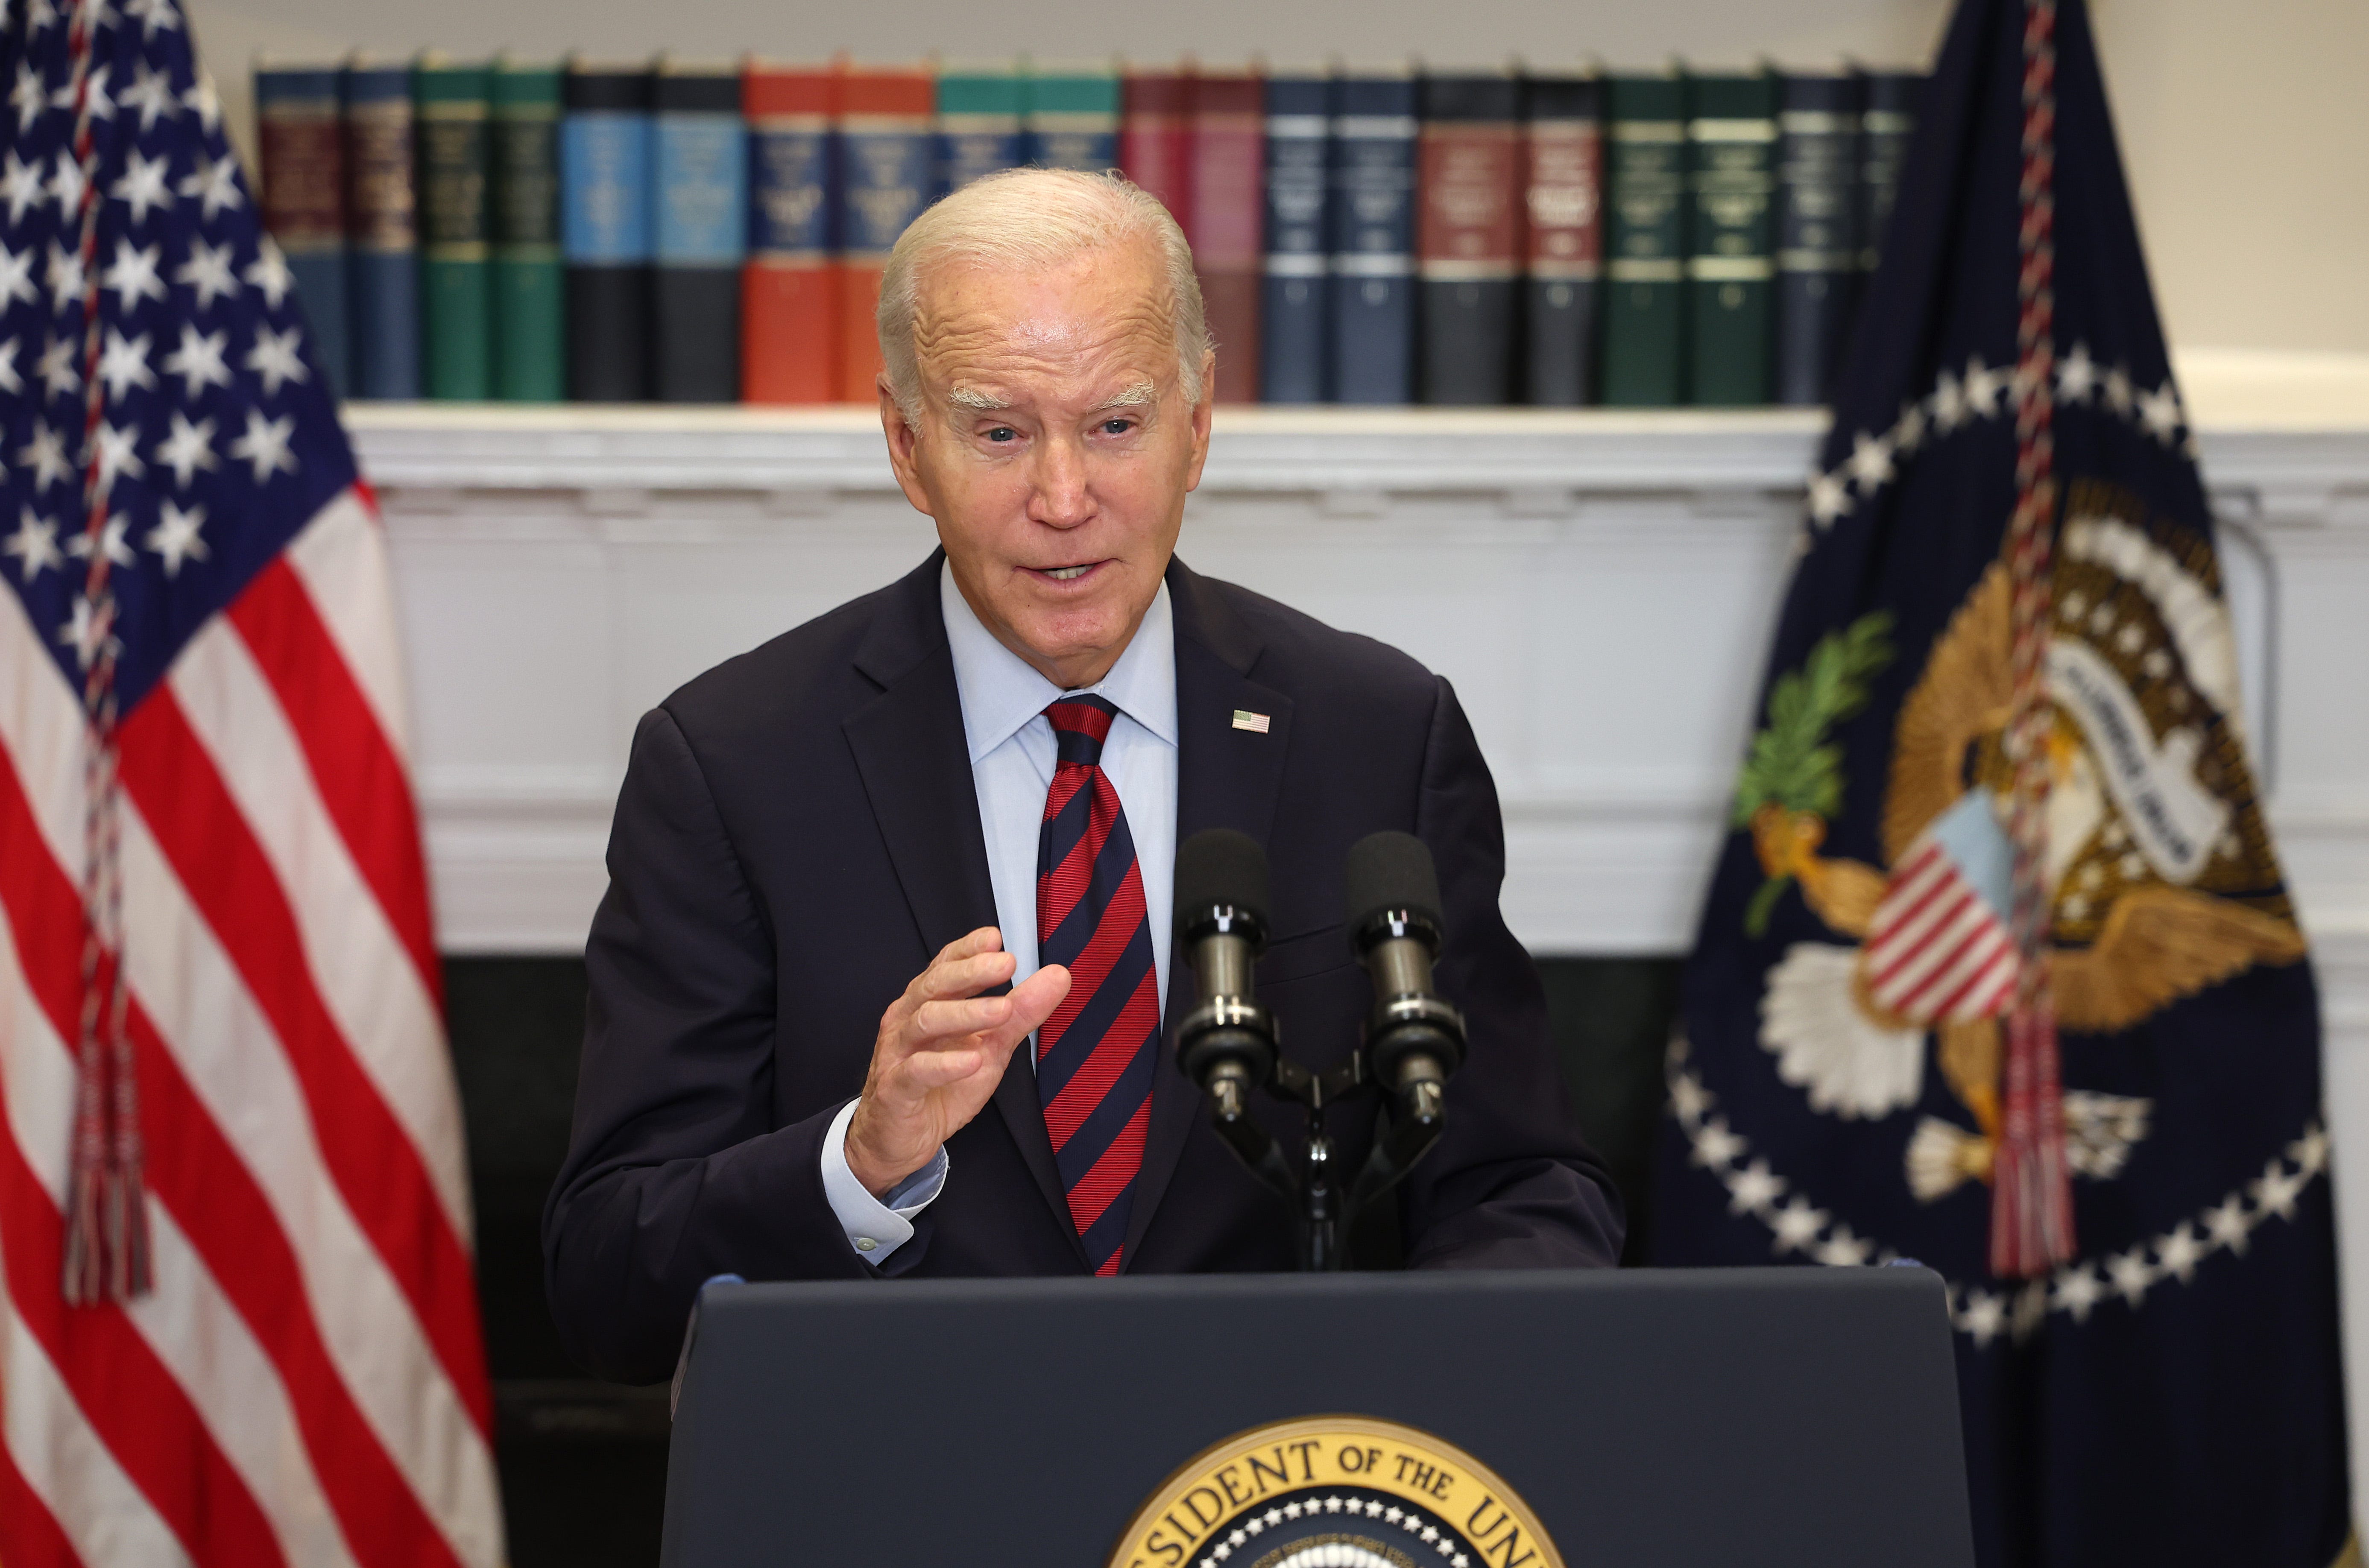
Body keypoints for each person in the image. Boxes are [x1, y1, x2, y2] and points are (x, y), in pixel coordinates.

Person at [543, 168, 1622, 1384]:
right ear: (909, 448)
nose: (1064, 500)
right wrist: (860, 1158)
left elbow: (1517, 1183)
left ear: (1196, 426)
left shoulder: (1376, 733)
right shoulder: (734, 764)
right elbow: (604, 1282)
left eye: (1115, 423)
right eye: (999, 431)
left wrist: (1413, 1398)